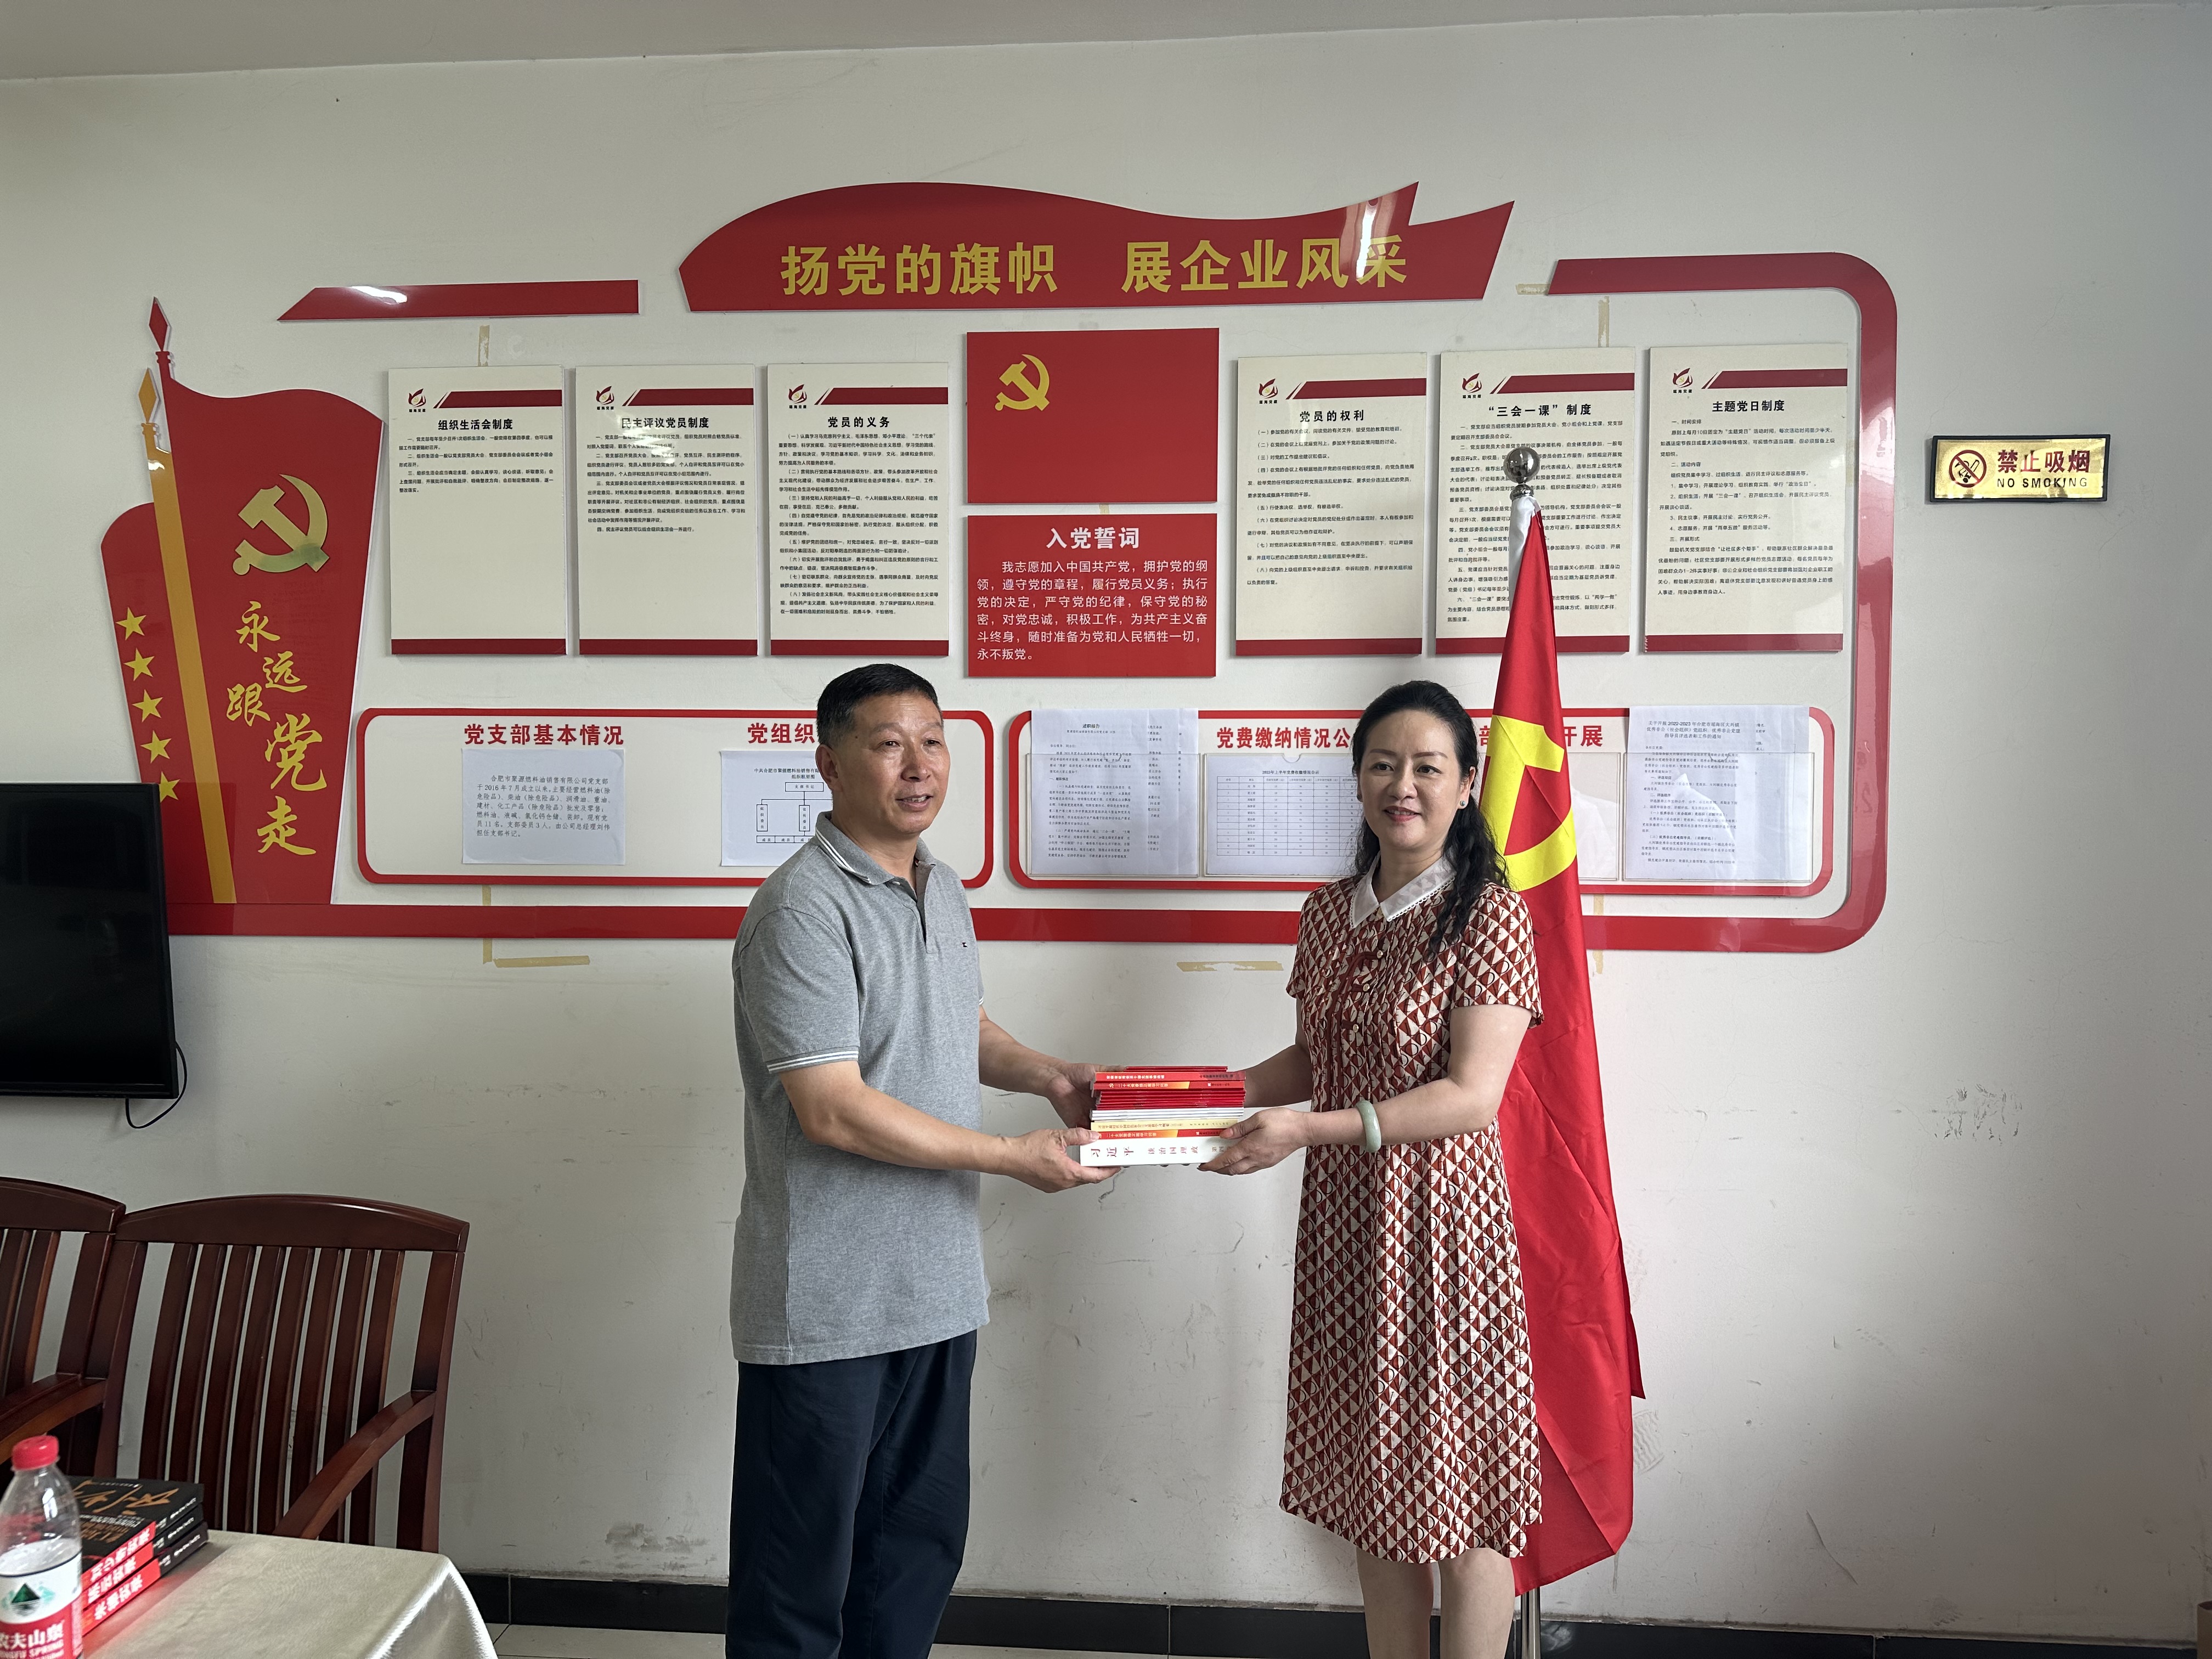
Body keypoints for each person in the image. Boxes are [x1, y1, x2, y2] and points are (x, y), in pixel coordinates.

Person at [726, 663, 1111, 1659]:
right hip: (826, 1308)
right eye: (889, 744)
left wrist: (1048, 1075)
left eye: (933, 741)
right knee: (797, 1581)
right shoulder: (801, 909)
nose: (919, 765)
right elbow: (831, 1108)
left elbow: (959, 1025)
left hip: (936, 1291)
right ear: (829, 765)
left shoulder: (941, 885)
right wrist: (1012, 1156)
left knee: (910, 1562)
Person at [1206, 679, 1543, 1659]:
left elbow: (1472, 1096)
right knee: (1376, 1487)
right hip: (1348, 1228)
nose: (1404, 786)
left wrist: (1307, 1132)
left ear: (1468, 784)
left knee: (1465, 1496)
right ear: (1357, 781)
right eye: (1384, 765)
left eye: (1428, 767)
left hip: (1443, 1231)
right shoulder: (1326, 913)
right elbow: (1314, 1059)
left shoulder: (1490, 917)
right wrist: (1203, 1095)